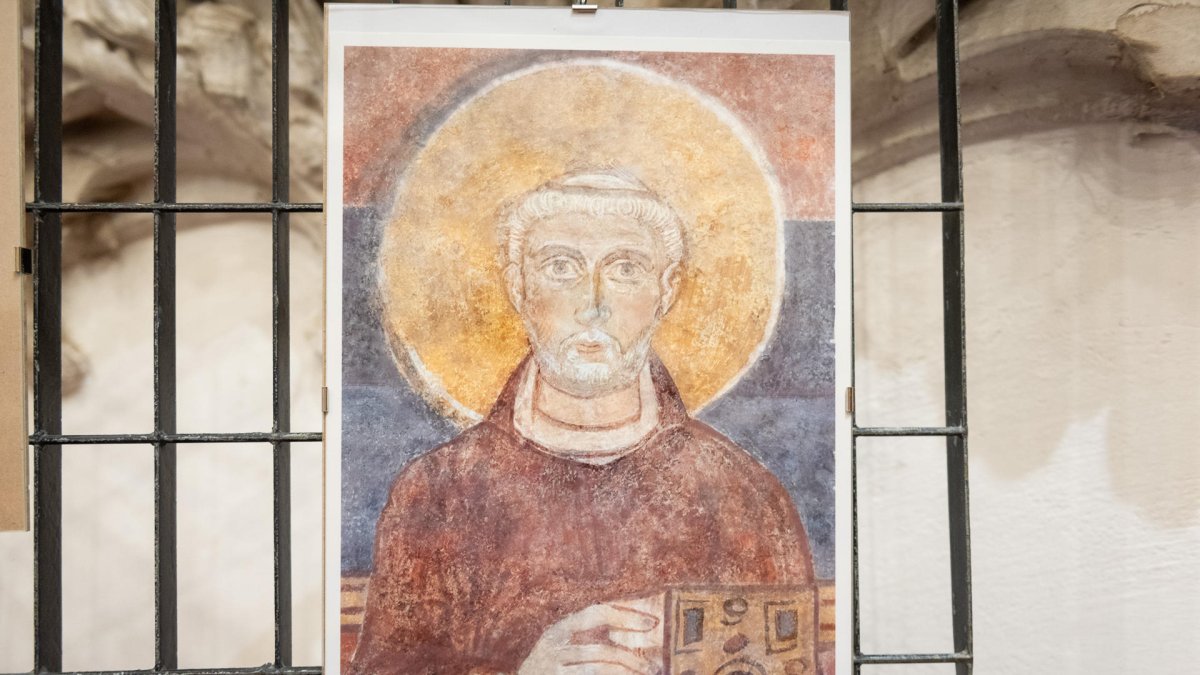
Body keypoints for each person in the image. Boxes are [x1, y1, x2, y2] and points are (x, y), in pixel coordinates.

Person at [351, 170, 814, 674]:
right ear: (518, 286)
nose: (592, 305)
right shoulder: (439, 491)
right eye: (561, 267)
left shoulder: (741, 495)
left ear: (666, 289)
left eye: (625, 270)